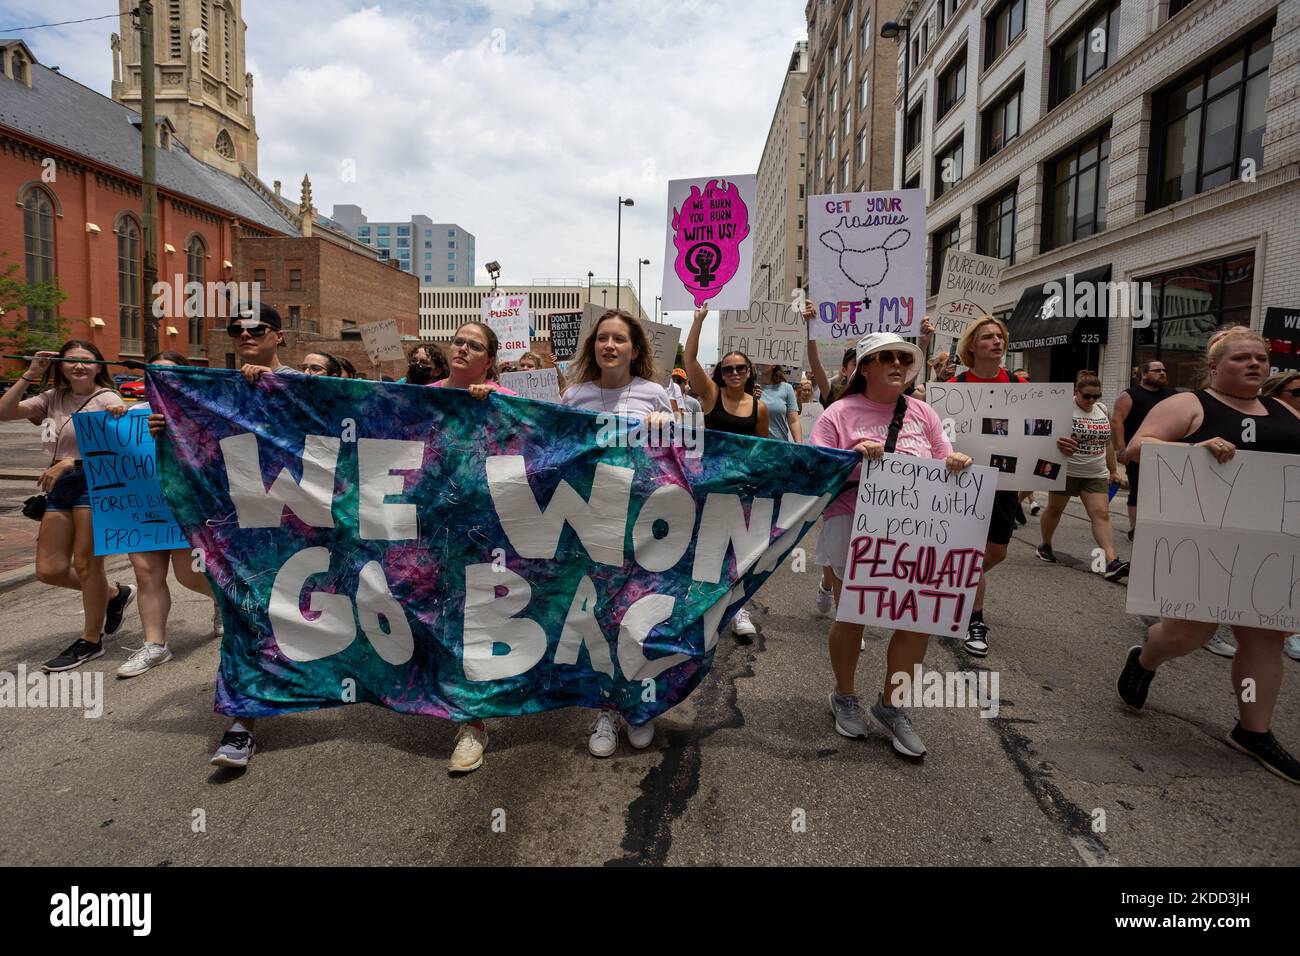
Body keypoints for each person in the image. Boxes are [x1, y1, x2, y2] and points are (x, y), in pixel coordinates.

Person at [1120, 329, 1300, 783]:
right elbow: (1135, 448)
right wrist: (1192, 449)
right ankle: (1145, 660)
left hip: (1267, 547)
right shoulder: (1190, 405)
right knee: (1189, 633)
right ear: (1215, 367)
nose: (1254, 365)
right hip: (1202, 544)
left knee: (1265, 639)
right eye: (1241, 358)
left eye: (1260, 358)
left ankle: (1253, 729)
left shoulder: (1283, 411)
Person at [811, 333, 973, 758]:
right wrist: (852, 455)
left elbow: (943, 459)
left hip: (916, 529)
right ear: (865, 367)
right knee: (854, 615)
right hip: (853, 525)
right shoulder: (838, 414)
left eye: (904, 358)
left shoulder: (923, 414)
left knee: (916, 621)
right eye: (886, 358)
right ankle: (844, 697)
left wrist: (956, 463)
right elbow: (814, 471)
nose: (898, 364)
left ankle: (891, 706)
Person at [562, 309, 673, 758]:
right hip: (589, 521)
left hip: (643, 522)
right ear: (593, 346)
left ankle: (639, 706)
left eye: (619, 339)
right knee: (599, 616)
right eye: (602, 338)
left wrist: (667, 426)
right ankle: (605, 708)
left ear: (635, 349)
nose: (609, 346)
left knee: (639, 613)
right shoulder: (574, 396)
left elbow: (681, 458)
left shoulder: (654, 393)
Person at [0, 340, 137, 671]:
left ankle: (91, 640)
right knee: (49, 570)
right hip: (58, 488)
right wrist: (30, 374)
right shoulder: (52, 399)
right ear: (59, 366)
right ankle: (115, 594)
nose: (79, 366)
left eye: (86, 361)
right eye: (71, 361)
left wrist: (71, 462)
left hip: (94, 483)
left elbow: (120, 448)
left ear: (99, 366)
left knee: (88, 564)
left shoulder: (107, 399)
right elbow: (4, 413)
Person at [947, 316, 1076, 657]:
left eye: (1000, 336)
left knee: (995, 553)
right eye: (988, 337)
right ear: (972, 346)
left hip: (1004, 482)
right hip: (962, 482)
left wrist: (1060, 446)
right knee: (972, 555)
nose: (997, 342)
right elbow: (940, 434)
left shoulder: (1021, 387)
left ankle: (955, 580)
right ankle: (974, 618)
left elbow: (1041, 431)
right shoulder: (954, 387)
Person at [117, 351, 220, 679]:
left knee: (188, 575)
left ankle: (222, 601)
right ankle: (155, 645)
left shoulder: (199, 413)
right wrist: (113, 419)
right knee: (146, 573)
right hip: (143, 507)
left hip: (185, 505)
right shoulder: (131, 415)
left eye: (168, 374)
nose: (159, 380)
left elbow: (214, 457)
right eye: (154, 374)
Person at [686, 303, 770, 637]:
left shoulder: (760, 408)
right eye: (728, 368)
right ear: (721, 373)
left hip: (743, 487)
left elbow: (763, 451)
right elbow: (690, 360)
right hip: (708, 483)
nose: (734, 373)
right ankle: (699, 608)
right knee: (704, 546)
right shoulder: (710, 395)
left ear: (749, 372)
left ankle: (738, 609)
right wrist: (698, 322)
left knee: (739, 551)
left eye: (740, 368)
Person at [1036, 371, 1129, 581]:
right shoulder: (1063, 408)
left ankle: (1111, 561)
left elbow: (1107, 443)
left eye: (1096, 396)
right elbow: (1043, 434)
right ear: (1076, 392)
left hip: (1095, 473)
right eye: (1087, 396)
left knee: (1101, 514)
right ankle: (1045, 544)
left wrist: (1113, 471)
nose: (1092, 401)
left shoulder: (1101, 409)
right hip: (1067, 471)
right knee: (1054, 510)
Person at [1111, 360, 1174, 541]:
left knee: (1163, 492)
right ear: (1144, 374)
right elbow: (1116, 422)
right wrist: (1121, 449)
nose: (1162, 373)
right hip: (1138, 452)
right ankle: (1135, 529)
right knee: (1138, 491)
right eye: (1157, 370)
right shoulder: (1130, 395)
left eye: (1164, 370)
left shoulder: (1171, 395)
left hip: (1166, 451)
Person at [758, 364, 801, 442]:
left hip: (779, 446)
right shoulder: (749, 387)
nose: (760, 363)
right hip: (756, 446)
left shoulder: (786, 388)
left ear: (774, 364)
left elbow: (793, 421)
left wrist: (799, 446)